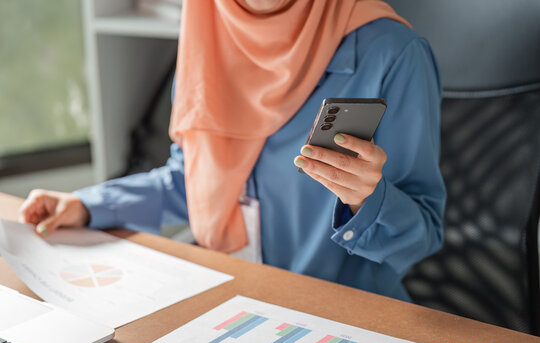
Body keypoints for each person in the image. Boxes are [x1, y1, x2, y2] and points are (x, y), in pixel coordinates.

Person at [19, 0, 446, 301]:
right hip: (231, 306)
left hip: (346, 321)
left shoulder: (393, 54)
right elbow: (193, 182)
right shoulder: (206, 35)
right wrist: (86, 204)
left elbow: (422, 237)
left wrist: (367, 200)